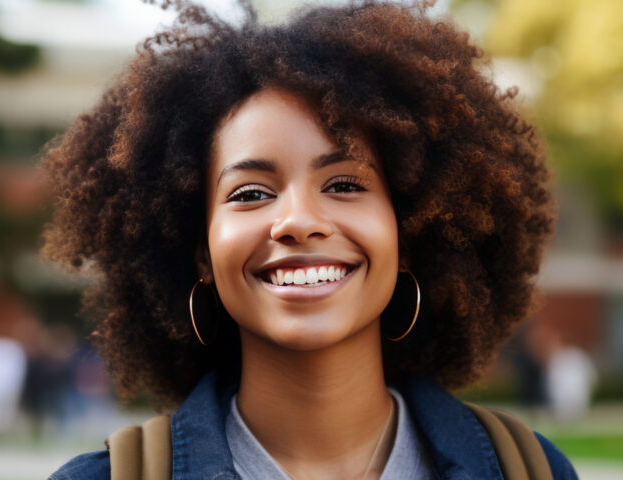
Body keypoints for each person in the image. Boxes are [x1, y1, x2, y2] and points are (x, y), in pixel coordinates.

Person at [42, 1, 573, 478]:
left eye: (344, 184)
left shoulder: (528, 470)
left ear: (409, 235)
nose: (297, 220)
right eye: (250, 193)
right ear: (202, 250)